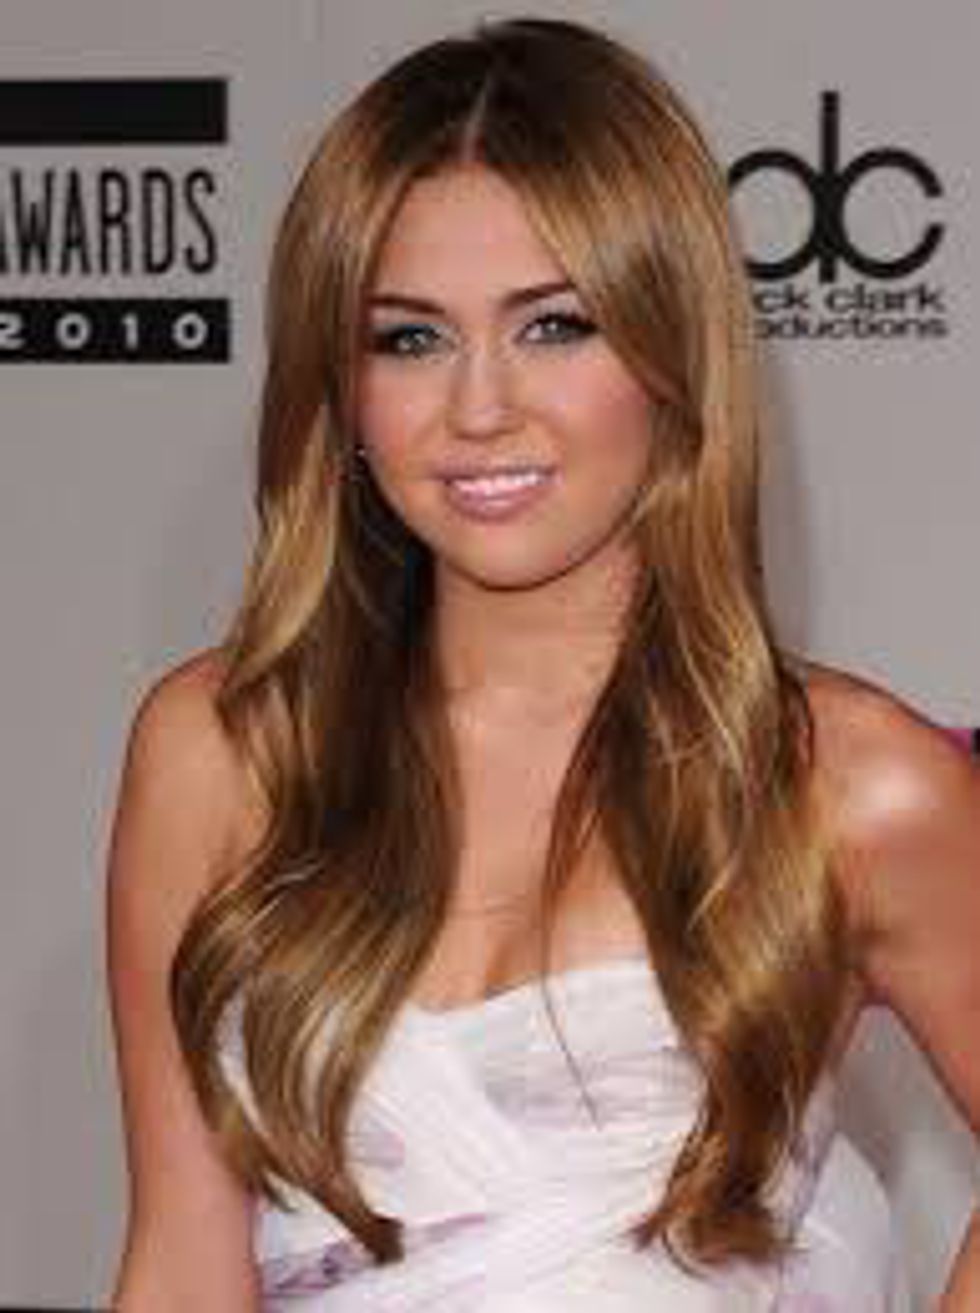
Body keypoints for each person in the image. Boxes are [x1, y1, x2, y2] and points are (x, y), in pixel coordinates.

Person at [105, 17, 980, 1311]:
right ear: (339, 389)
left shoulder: (851, 788)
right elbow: (182, 1264)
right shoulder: (223, 749)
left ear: (675, 353)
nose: (479, 410)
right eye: (410, 339)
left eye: (556, 325)